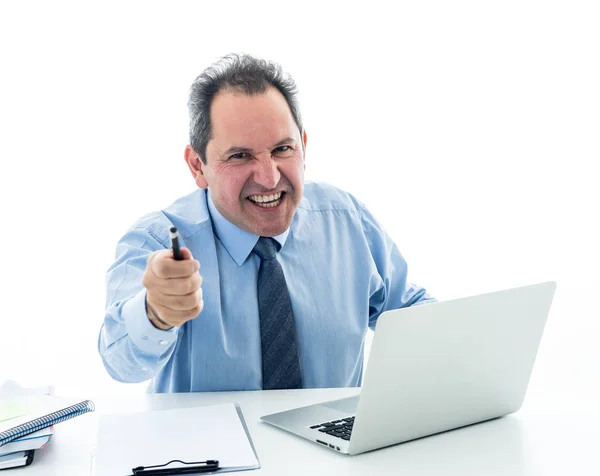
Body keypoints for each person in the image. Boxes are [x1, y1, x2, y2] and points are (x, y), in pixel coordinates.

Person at [98, 53, 435, 393]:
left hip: (331, 443)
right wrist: (155, 313)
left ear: (303, 146)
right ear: (198, 166)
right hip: (206, 445)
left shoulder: (348, 221)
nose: (270, 178)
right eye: (240, 156)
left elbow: (411, 313)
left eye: (282, 149)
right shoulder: (154, 241)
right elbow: (120, 362)